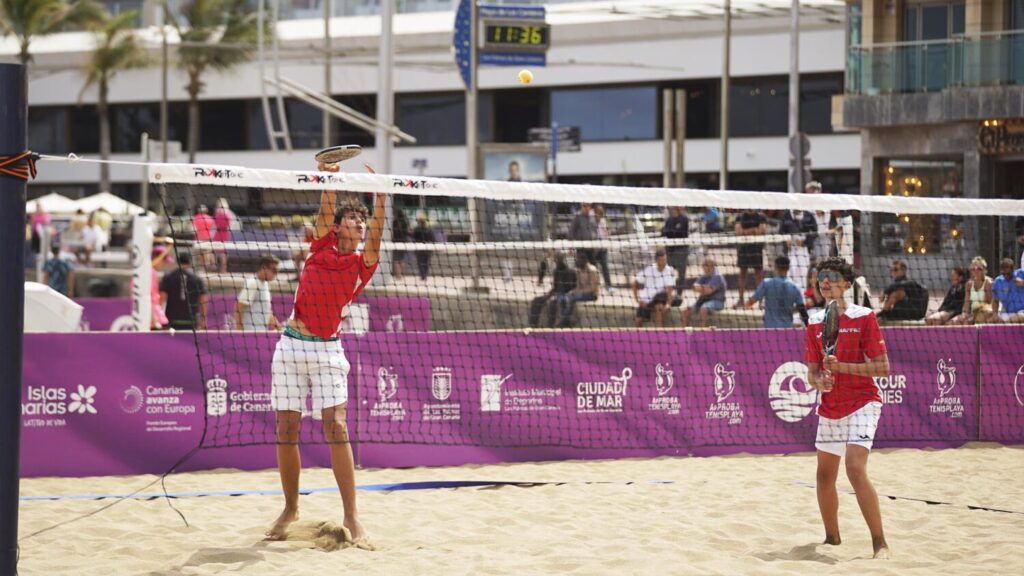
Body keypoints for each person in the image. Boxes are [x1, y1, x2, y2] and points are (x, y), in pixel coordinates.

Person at [266, 160, 384, 544]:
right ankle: (291, 507)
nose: (358, 225)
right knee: (286, 429)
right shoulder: (320, 243)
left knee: (336, 426)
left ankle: (352, 516)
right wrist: (328, 177)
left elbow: (378, 233)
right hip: (290, 346)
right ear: (337, 226)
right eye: (351, 220)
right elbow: (324, 210)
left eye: (361, 221)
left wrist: (381, 195)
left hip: (328, 350)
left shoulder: (363, 263)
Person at [805, 257, 891, 560]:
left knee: (855, 468)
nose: (824, 282)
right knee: (824, 478)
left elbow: (882, 368)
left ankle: (880, 543)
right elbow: (811, 373)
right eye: (820, 277)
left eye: (830, 277)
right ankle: (832, 538)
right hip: (832, 405)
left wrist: (842, 367)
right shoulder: (815, 320)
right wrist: (821, 382)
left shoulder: (864, 316)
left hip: (863, 402)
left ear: (846, 283)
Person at [745, 255, 807, 329]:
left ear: (775, 267)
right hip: (787, 330)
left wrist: (747, 306)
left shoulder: (766, 283)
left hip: (769, 330)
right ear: (788, 268)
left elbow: (750, 302)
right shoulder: (795, 287)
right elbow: (802, 310)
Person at [159, 251, 209, 330]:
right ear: (190, 262)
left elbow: (162, 298)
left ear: (178, 262)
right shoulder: (197, 278)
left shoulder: (169, 276)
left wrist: (160, 318)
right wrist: (203, 319)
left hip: (172, 321)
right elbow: (204, 300)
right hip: (191, 322)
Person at [529, 252, 576, 328]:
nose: (556, 261)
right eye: (556, 260)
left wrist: (557, 294)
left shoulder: (569, 271)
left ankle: (551, 325)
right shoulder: (556, 271)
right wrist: (548, 294)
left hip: (565, 294)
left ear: (562, 260)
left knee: (553, 303)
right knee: (536, 300)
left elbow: (571, 287)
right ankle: (533, 323)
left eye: (558, 260)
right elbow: (555, 286)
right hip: (556, 293)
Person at [235, 255, 282, 331]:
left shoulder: (265, 285)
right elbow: (239, 307)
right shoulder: (252, 283)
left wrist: (280, 328)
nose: (276, 274)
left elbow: (267, 313)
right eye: (274, 270)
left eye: (277, 271)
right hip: (249, 333)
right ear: (264, 268)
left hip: (261, 334)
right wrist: (239, 331)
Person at [632, 248, 677, 328]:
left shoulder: (669, 270)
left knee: (659, 308)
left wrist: (668, 304)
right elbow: (635, 283)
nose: (664, 262)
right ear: (657, 260)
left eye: (665, 260)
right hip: (647, 300)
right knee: (638, 320)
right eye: (662, 260)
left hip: (660, 299)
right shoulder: (649, 269)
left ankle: (659, 335)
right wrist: (637, 299)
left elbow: (670, 289)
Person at [556, 252, 600, 328]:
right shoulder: (578, 270)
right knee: (563, 298)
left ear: (584, 260)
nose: (576, 261)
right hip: (582, 293)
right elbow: (578, 286)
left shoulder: (592, 270)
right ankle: (566, 321)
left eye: (578, 260)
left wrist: (579, 292)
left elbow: (593, 288)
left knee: (572, 299)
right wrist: (572, 292)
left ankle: (562, 322)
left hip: (592, 295)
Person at [681, 257, 726, 328]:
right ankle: (682, 333)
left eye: (708, 266)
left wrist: (702, 288)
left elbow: (709, 291)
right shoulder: (704, 276)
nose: (705, 268)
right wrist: (704, 288)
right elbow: (694, 287)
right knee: (686, 311)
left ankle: (702, 332)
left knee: (703, 309)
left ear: (713, 266)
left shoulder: (717, 276)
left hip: (717, 302)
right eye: (704, 266)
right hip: (703, 301)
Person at [734, 208, 766, 308]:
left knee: (759, 275)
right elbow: (738, 232)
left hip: (757, 249)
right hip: (743, 249)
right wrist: (753, 230)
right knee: (742, 274)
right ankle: (740, 300)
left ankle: (761, 300)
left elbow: (761, 231)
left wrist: (746, 231)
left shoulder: (761, 216)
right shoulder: (740, 217)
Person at [780, 209, 818, 292]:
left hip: (803, 249)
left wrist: (805, 242)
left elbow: (815, 232)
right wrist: (786, 239)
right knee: (791, 271)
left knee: (803, 273)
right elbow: (781, 231)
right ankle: (790, 294)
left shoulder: (809, 215)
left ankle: (802, 297)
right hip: (791, 250)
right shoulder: (787, 215)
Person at [662, 206, 689, 303]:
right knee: (669, 273)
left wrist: (671, 232)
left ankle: (679, 294)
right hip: (670, 250)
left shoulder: (684, 219)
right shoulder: (669, 219)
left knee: (681, 274)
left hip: (681, 249)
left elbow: (680, 232)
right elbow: (664, 231)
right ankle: (668, 294)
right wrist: (671, 232)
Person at [805, 181, 832, 262]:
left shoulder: (824, 202)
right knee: (815, 260)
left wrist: (815, 197)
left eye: (809, 190)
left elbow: (819, 212)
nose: (807, 193)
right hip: (812, 235)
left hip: (823, 236)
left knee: (825, 260)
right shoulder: (808, 205)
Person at [991, 257, 1024, 324]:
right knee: (992, 321)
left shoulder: (1021, 273)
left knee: (1019, 318)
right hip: (1007, 313)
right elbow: (995, 300)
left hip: (1022, 312)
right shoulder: (998, 281)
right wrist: (995, 314)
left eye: (1008, 274)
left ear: (1013, 269)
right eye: (1004, 274)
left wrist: (1023, 283)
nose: (1006, 276)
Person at [593, 205, 613, 293]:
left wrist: (605, 243)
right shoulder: (591, 222)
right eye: (596, 213)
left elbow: (606, 234)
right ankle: (595, 287)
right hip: (593, 248)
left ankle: (608, 286)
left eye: (600, 213)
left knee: (605, 267)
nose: (598, 215)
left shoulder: (603, 221)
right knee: (594, 269)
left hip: (603, 248)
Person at [193, 205, 216, 271]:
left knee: (200, 254)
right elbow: (213, 229)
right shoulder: (210, 218)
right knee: (207, 252)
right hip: (208, 237)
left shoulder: (195, 218)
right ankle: (208, 266)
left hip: (199, 238)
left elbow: (193, 229)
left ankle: (203, 268)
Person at [214, 197, 234, 273]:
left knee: (215, 251)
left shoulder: (217, 213)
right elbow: (230, 223)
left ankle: (217, 267)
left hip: (219, 233)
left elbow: (216, 222)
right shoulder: (228, 213)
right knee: (223, 253)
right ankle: (223, 269)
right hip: (224, 233)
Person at [411, 212, 433, 280]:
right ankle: (424, 275)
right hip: (427, 248)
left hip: (419, 248)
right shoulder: (429, 229)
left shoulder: (416, 229)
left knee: (420, 262)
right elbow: (432, 238)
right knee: (425, 262)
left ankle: (422, 275)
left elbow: (413, 237)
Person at [392, 207, 410, 281]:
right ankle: (401, 274)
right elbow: (408, 231)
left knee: (396, 259)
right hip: (404, 241)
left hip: (396, 242)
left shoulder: (394, 222)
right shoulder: (405, 222)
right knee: (401, 259)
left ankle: (398, 275)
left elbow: (392, 231)